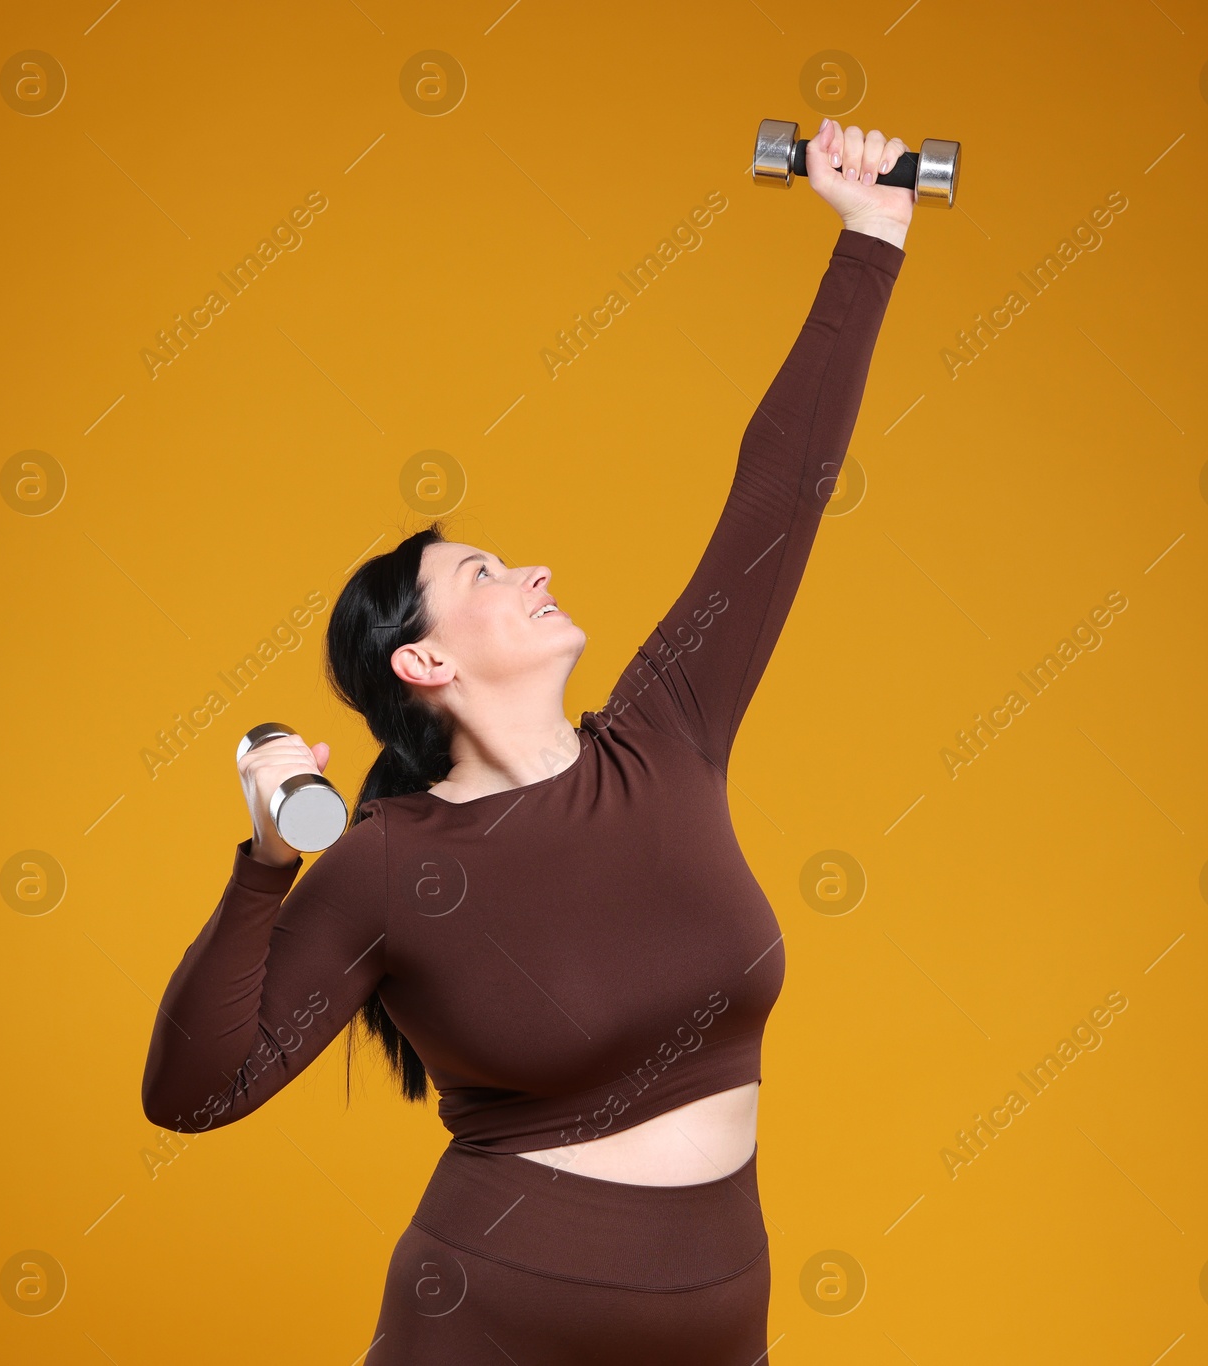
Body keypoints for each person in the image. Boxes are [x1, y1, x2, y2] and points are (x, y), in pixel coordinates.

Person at [141, 116, 912, 1362]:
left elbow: (777, 496)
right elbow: (193, 1096)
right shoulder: (383, 862)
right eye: (487, 570)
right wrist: (264, 870)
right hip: (487, 1319)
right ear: (425, 660)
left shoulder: (668, 733)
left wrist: (871, 235)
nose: (535, 567)